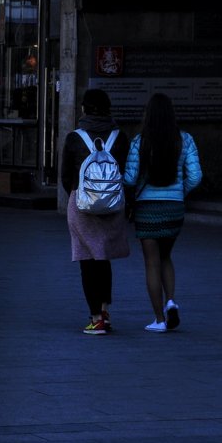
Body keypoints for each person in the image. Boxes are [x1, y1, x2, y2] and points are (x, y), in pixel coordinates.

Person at [123, 92, 203, 333]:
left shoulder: (139, 142)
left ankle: (159, 319)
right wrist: (180, 192)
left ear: (148, 114)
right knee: (166, 256)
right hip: (174, 209)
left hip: (147, 209)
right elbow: (196, 176)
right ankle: (171, 301)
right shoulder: (185, 140)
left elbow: (129, 178)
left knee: (151, 263)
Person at [60, 88, 129, 335]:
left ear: (84, 109)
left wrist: (80, 199)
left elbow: (66, 176)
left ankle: (95, 317)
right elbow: (127, 173)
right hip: (112, 206)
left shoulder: (74, 138)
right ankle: (105, 311)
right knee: (103, 257)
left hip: (82, 205)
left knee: (87, 262)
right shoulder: (120, 137)